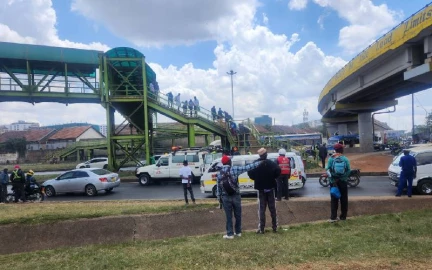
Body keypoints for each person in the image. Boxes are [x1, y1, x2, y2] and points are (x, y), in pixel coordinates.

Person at [217, 155, 262, 239]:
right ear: (229, 162)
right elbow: (247, 167)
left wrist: (219, 199)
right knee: (238, 214)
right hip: (236, 195)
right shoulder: (234, 169)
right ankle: (238, 232)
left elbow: (218, 188)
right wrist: (260, 162)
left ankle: (230, 234)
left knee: (228, 216)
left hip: (225, 197)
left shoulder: (219, 173)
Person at [248, 148, 281, 233]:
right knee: (272, 208)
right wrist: (273, 177)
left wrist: (256, 178)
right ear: (266, 154)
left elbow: (250, 173)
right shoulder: (271, 163)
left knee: (261, 209)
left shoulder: (255, 164)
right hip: (270, 188)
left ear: (259, 155)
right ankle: (275, 227)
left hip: (260, 188)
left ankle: (261, 228)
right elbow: (278, 170)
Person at [326, 143, 351, 222]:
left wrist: (332, 178)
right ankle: (343, 217)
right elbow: (348, 170)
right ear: (342, 150)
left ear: (335, 150)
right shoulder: (345, 159)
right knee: (344, 199)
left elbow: (327, 169)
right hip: (343, 182)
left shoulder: (331, 159)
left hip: (333, 182)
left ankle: (333, 217)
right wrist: (344, 177)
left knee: (334, 199)